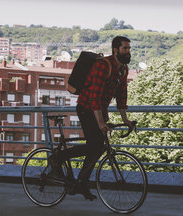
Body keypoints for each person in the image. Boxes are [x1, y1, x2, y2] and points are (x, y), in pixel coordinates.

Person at [49, 36, 134, 200]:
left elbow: (122, 96)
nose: (128, 51)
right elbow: (94, 96)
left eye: (129, 48)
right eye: (125, 48)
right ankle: (57, 158)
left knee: (98, 147)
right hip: (86, 108)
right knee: (95, 145)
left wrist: (125, 120)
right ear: (115, 50)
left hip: (99, 109)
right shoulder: (103, 65)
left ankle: (81, 182)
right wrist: (101, 122)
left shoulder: (123, 69)